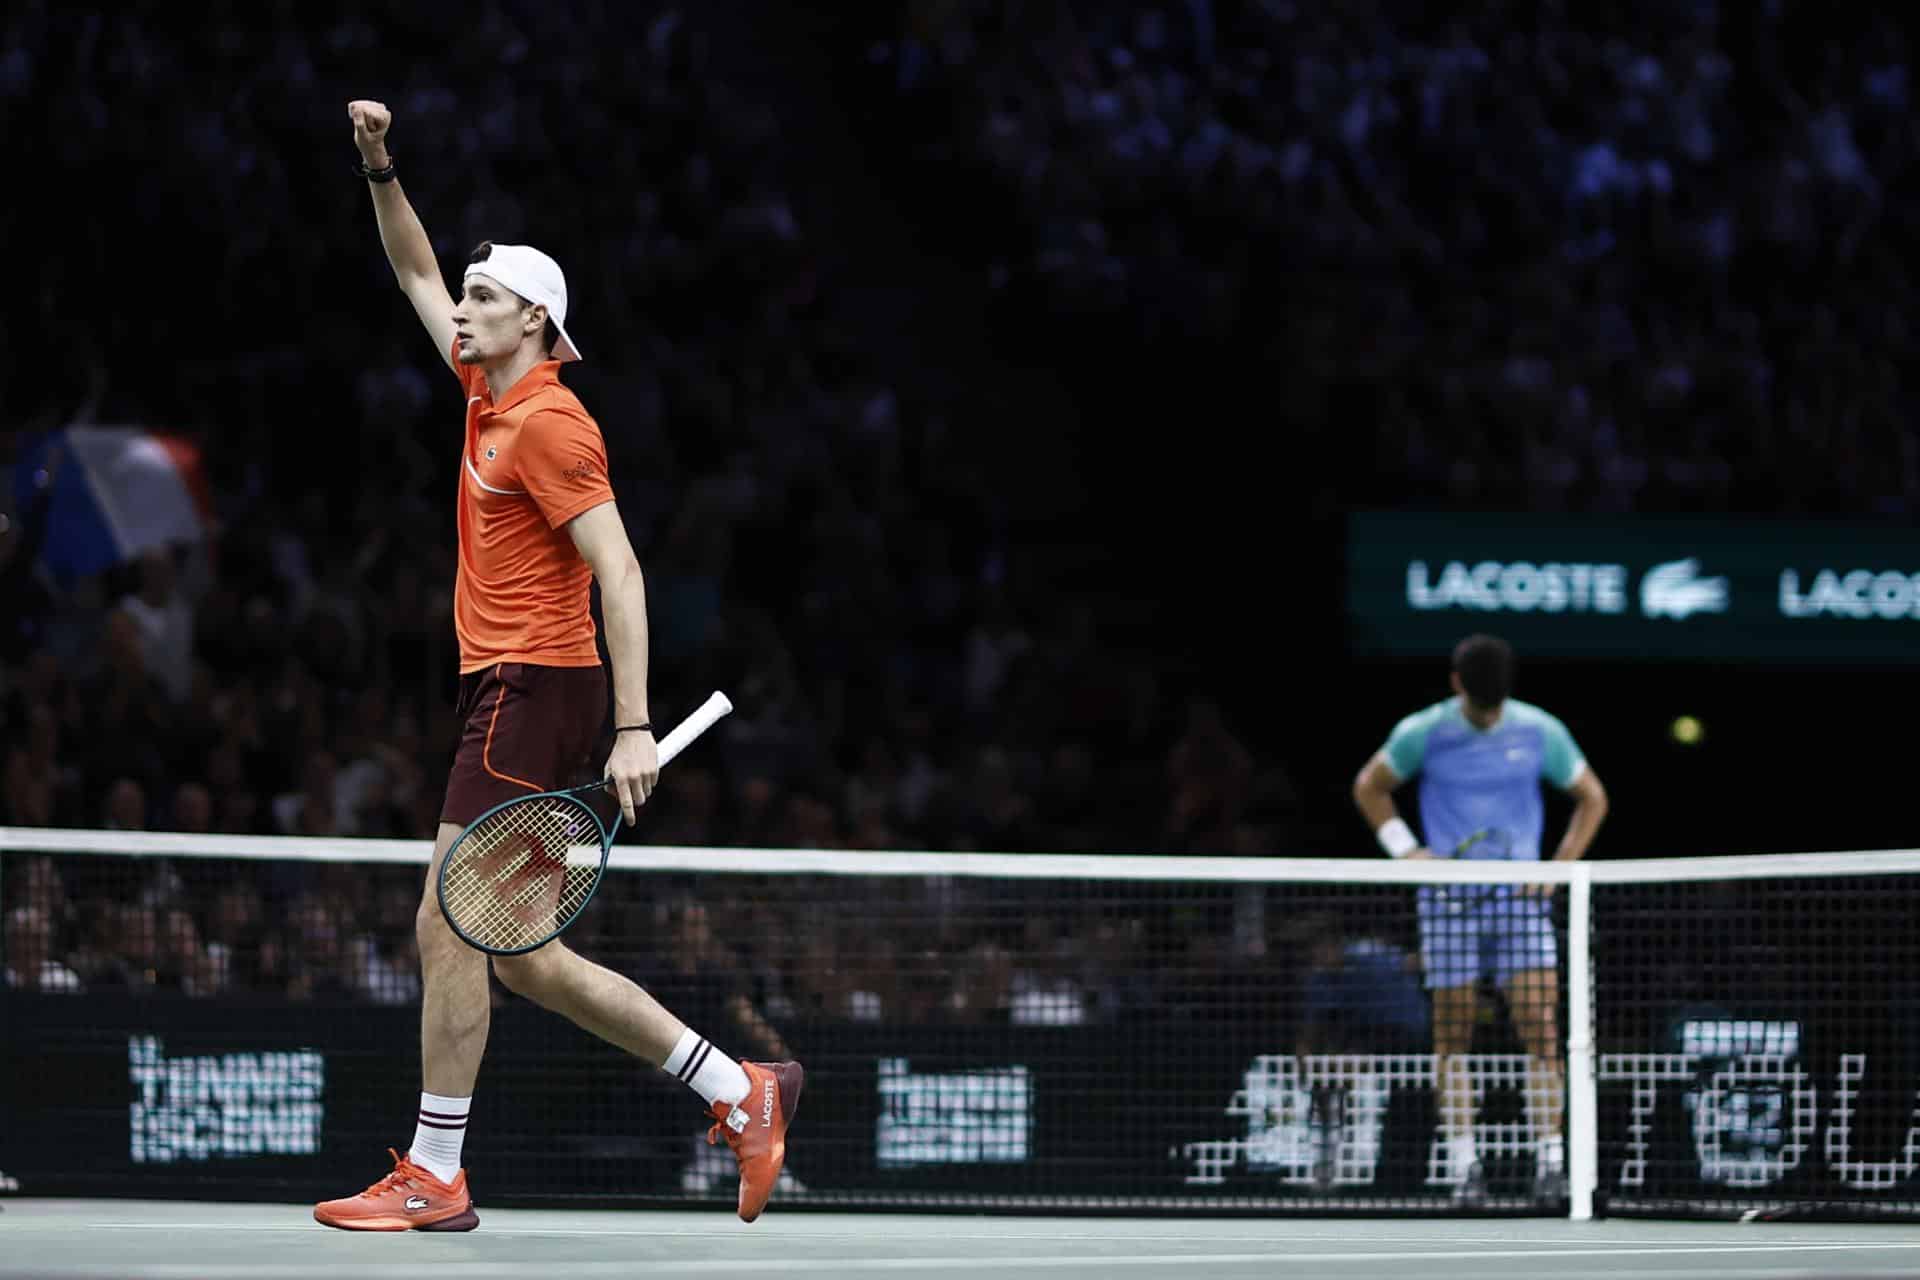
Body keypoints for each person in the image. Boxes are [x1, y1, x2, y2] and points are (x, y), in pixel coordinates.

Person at [315, 100, 802, 1233]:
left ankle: (436, 1174)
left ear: (534, 317)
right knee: (522, 957)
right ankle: (741, 1089)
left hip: (538, 685)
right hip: (514, 687)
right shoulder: (486, 389)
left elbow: (621, 570)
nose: (463, 309)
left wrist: (634, 724)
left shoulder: (550, 422)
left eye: (486, 300)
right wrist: (380, 165)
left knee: (448, 922)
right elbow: (413, 274)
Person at [1350, 634, 1608, 1204]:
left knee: (1541, 1029)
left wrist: (1558, 869)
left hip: (1522, 902)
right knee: (1452, 1035)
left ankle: (1551, 1166)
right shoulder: (1424, 732)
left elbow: (1593, 797)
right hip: (1449, 905)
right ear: (1456, 684)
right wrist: (1408, 853)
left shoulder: (1541, 731)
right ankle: (1465, 1168)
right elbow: (1370, 787)